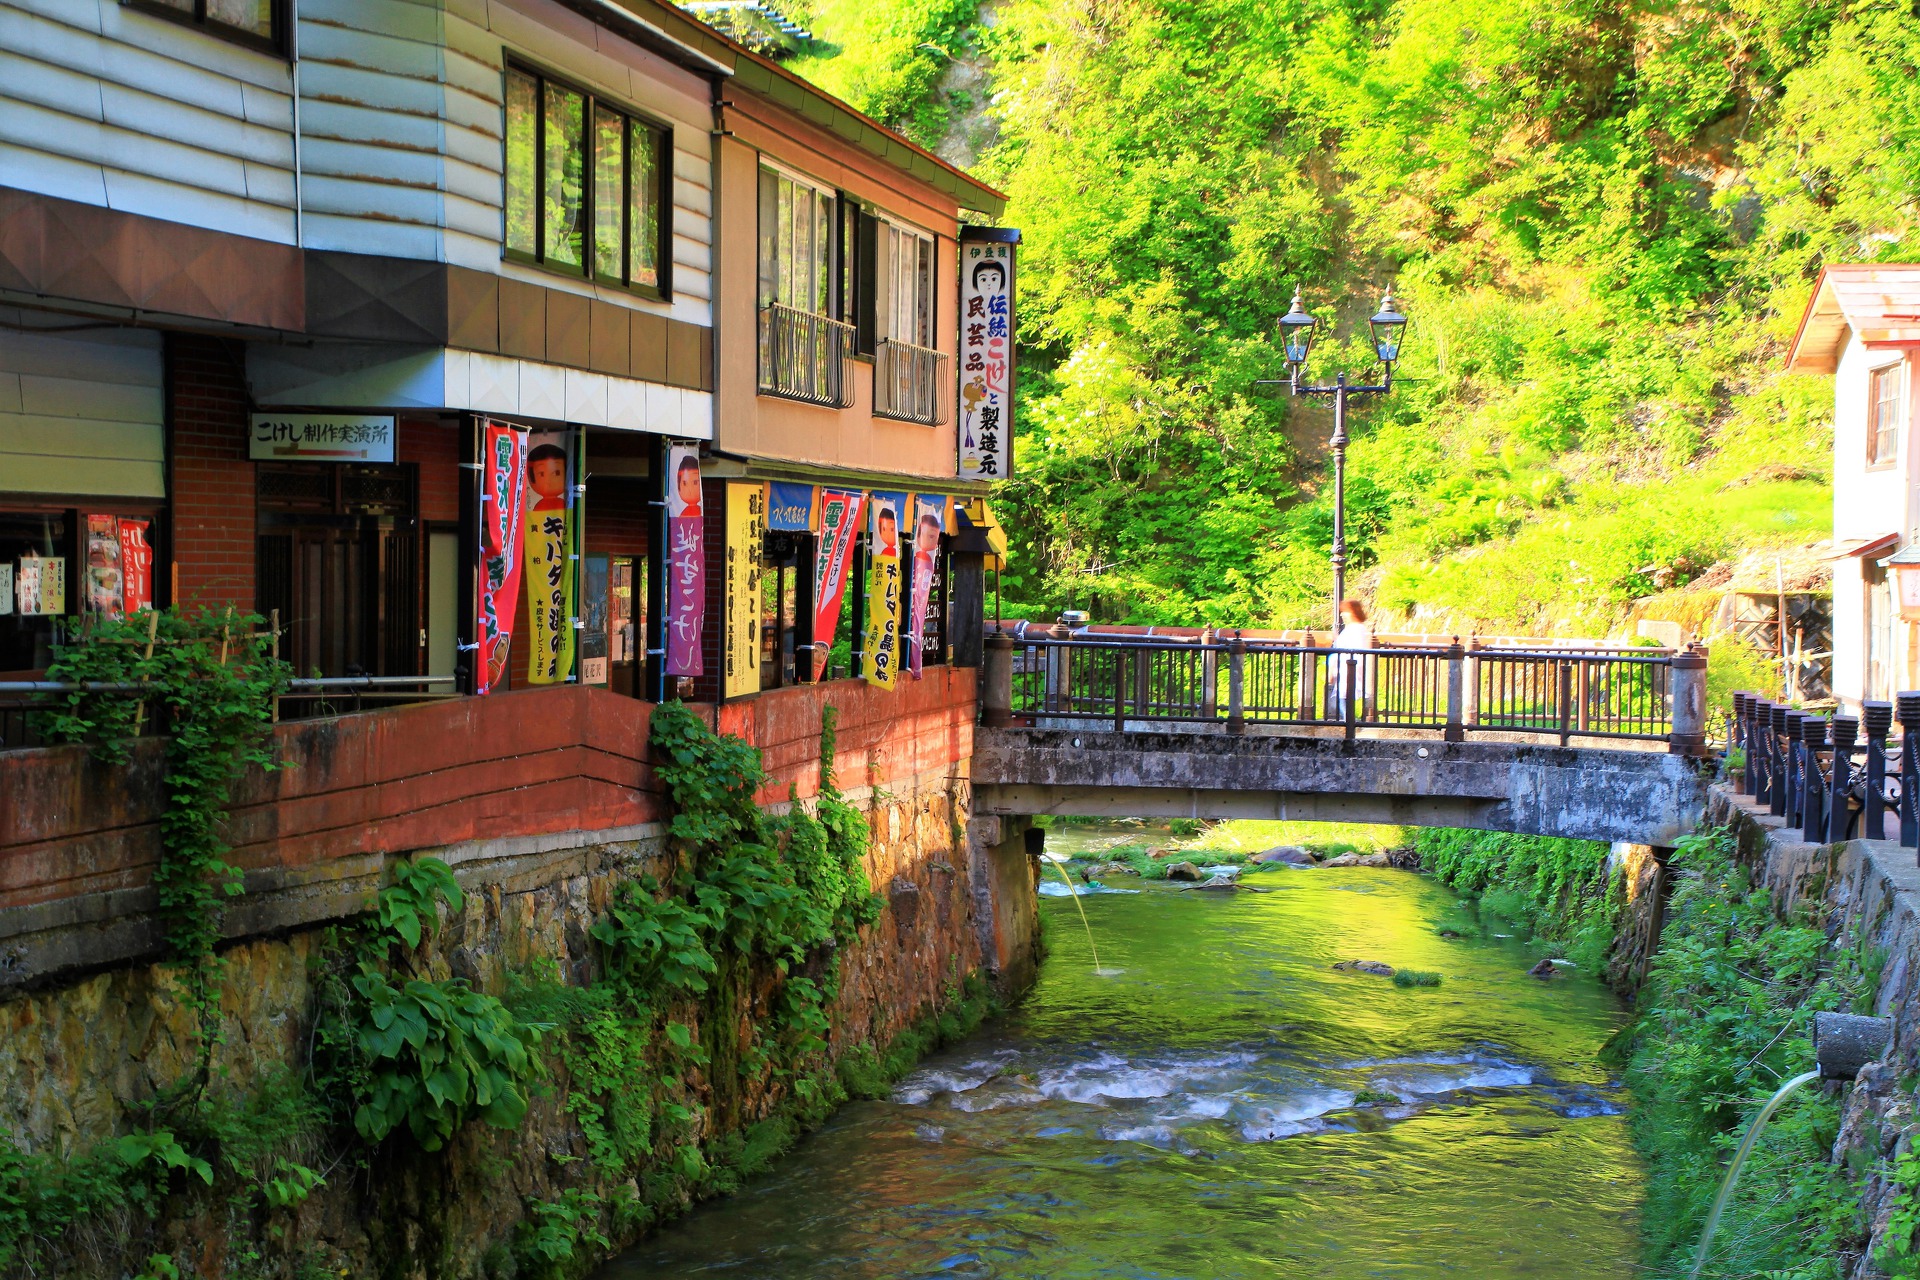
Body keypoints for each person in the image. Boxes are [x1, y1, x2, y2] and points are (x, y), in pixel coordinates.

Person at [1332, 598, 1373, 721]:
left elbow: (1348, 646)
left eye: (1345, 611)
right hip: (1350, 665)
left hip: (1350, 666)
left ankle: (1349, 721)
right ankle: (1349, 720)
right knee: (1345, 694)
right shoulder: (1358, 628)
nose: (1342, 614)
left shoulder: (1355, 629)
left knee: (1344, 694)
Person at [527, 443, 568, 512]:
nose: (548, 480)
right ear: (531, 477)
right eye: (541, 474)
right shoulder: (539, 506)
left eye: (556, 473)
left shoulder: (564, 504)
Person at [672, 453, 702, 519]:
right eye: (684, 483)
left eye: (695, 482)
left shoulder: (700, 512)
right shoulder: (682, 514)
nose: (690, 489)